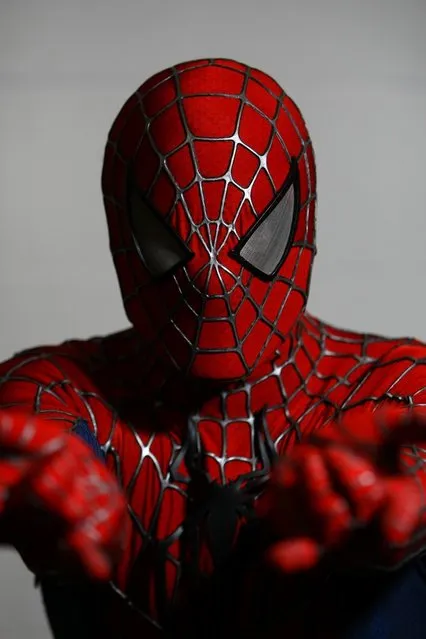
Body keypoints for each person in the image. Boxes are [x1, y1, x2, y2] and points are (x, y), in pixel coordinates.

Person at [1, 58, 426, 638]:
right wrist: (39, 485)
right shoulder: (64, 392)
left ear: (302, 215)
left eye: (255, 239)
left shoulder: (389, 391)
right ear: (122, 226)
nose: (213, 279)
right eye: (170, 242)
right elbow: (26, 425)